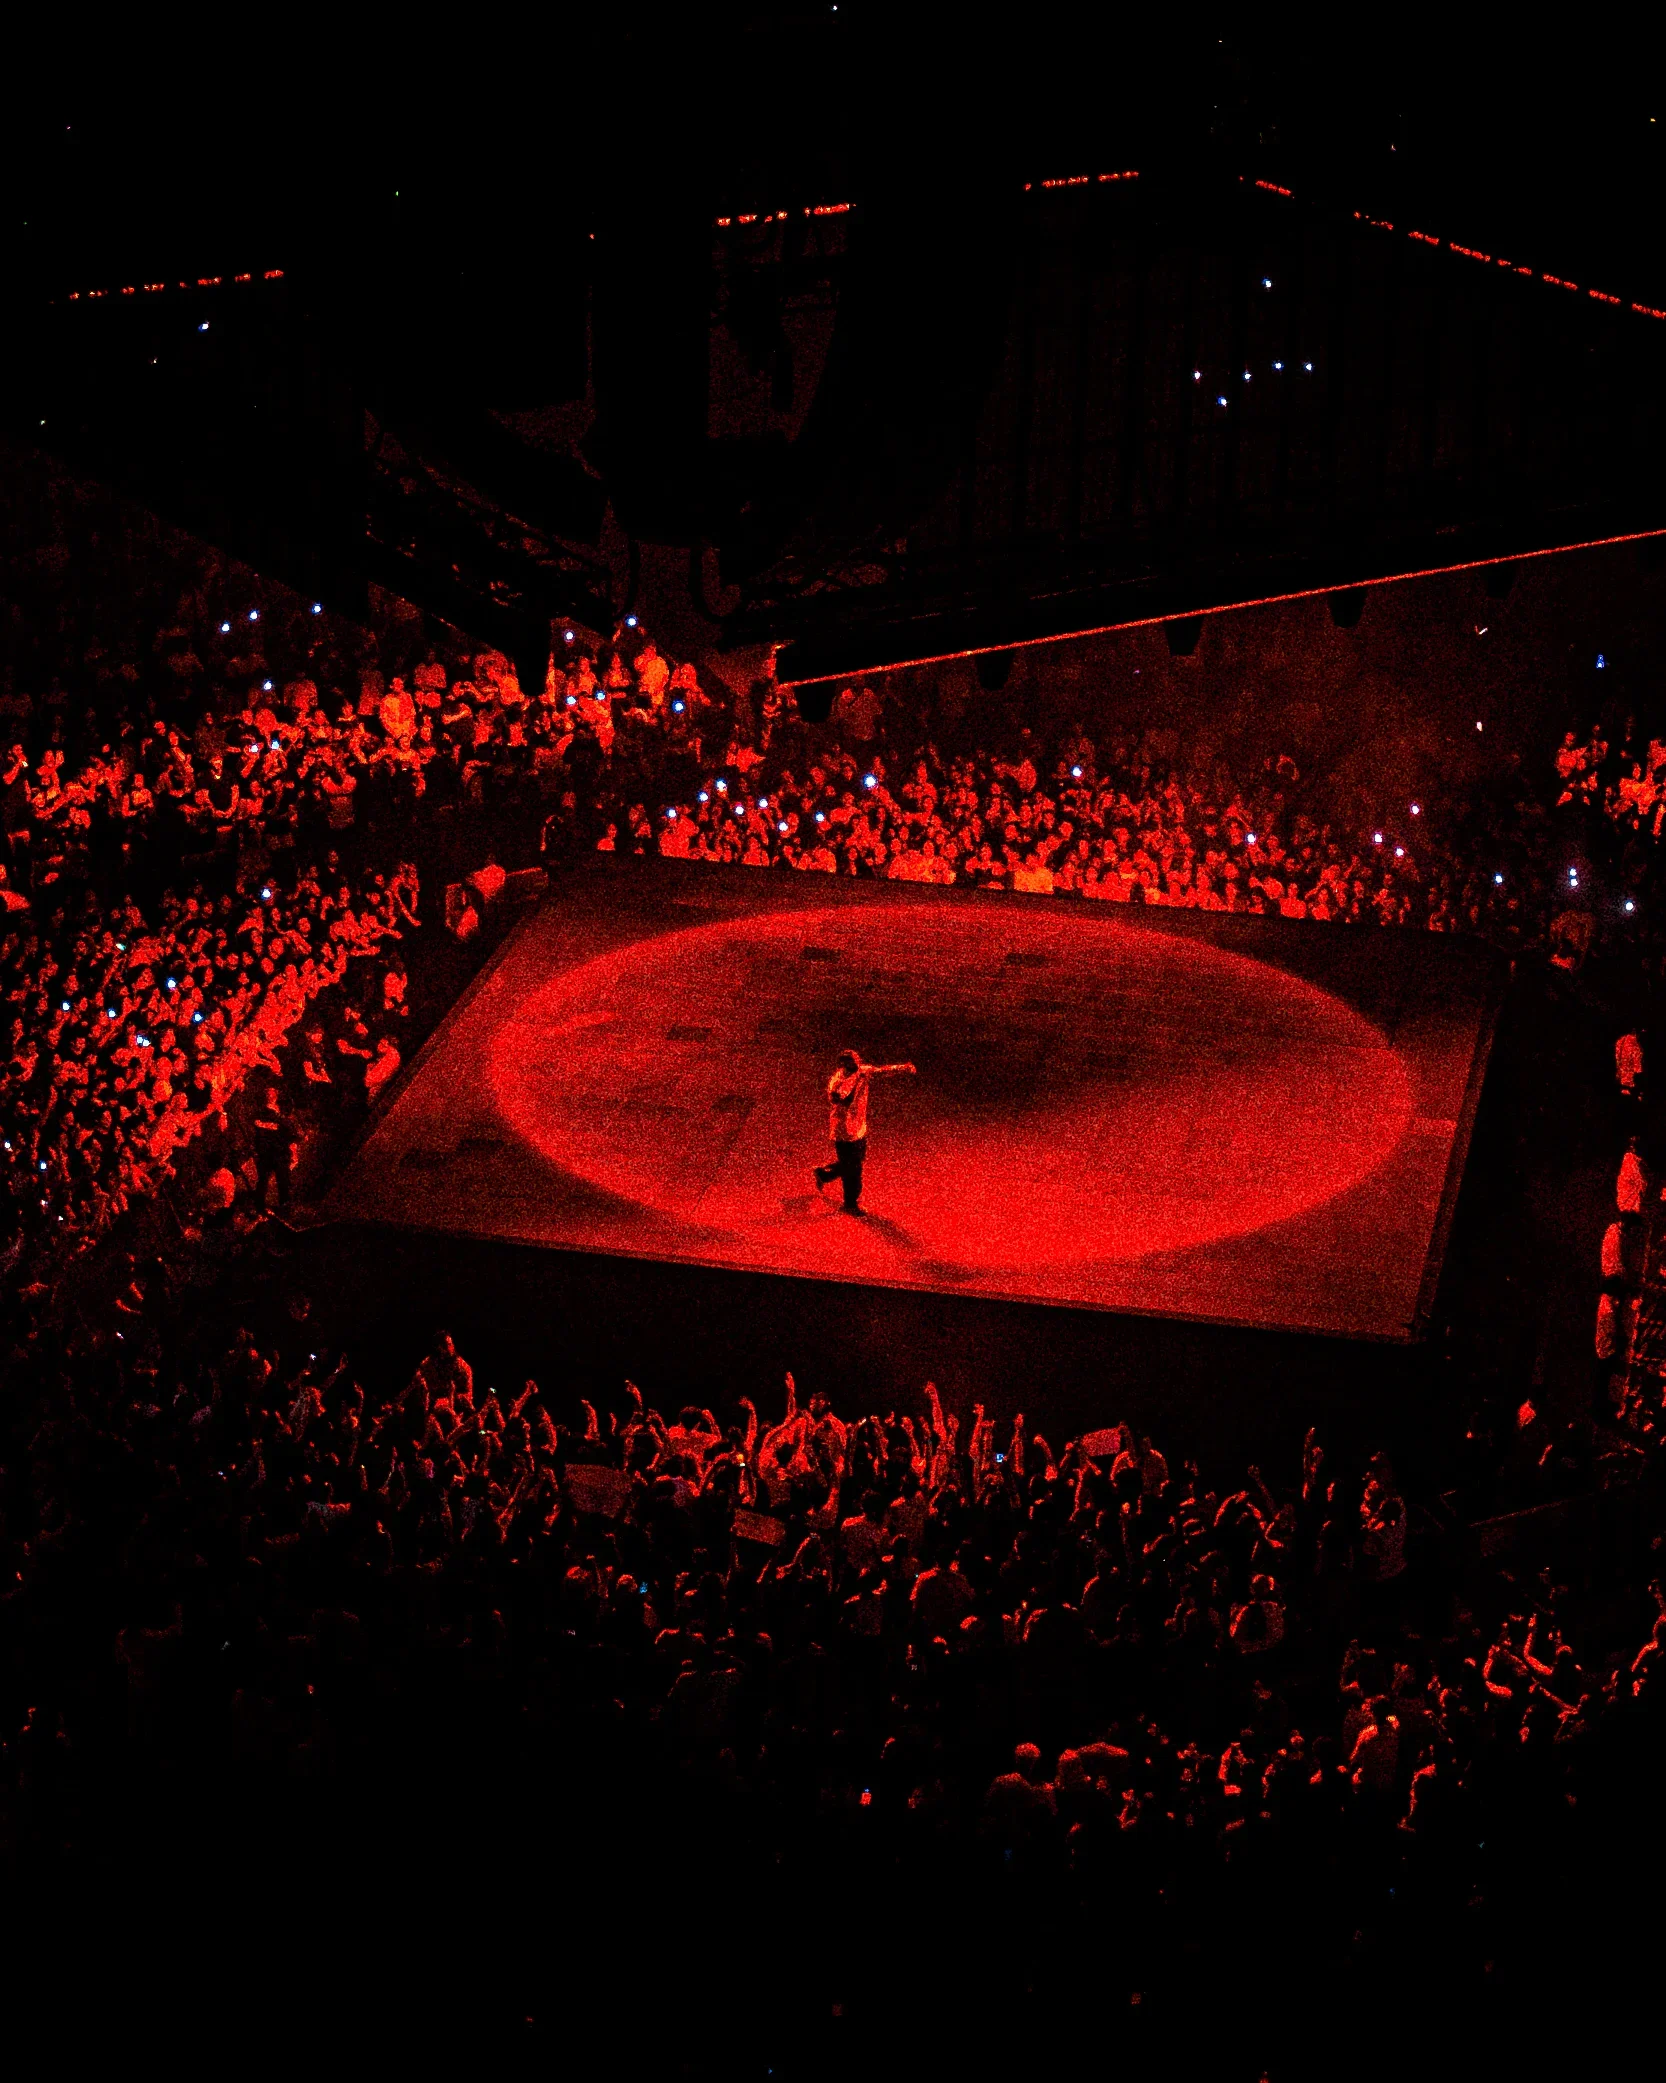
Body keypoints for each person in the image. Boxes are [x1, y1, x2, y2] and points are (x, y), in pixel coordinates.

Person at [813, 1048, 916, 1213]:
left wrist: (904, 1067)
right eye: (853, 1061)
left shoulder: (863, 1072)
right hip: (844, 1131)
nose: (858, 1063)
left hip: (859, 1128)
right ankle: (850, 1204)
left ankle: (824, 1175)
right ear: (844, 1064)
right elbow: (839, 1099)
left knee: (856, 1162)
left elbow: (882, 1072)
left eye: (858, 1059)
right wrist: (855, 1080)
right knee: (853, 1170)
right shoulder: (837, 1080)